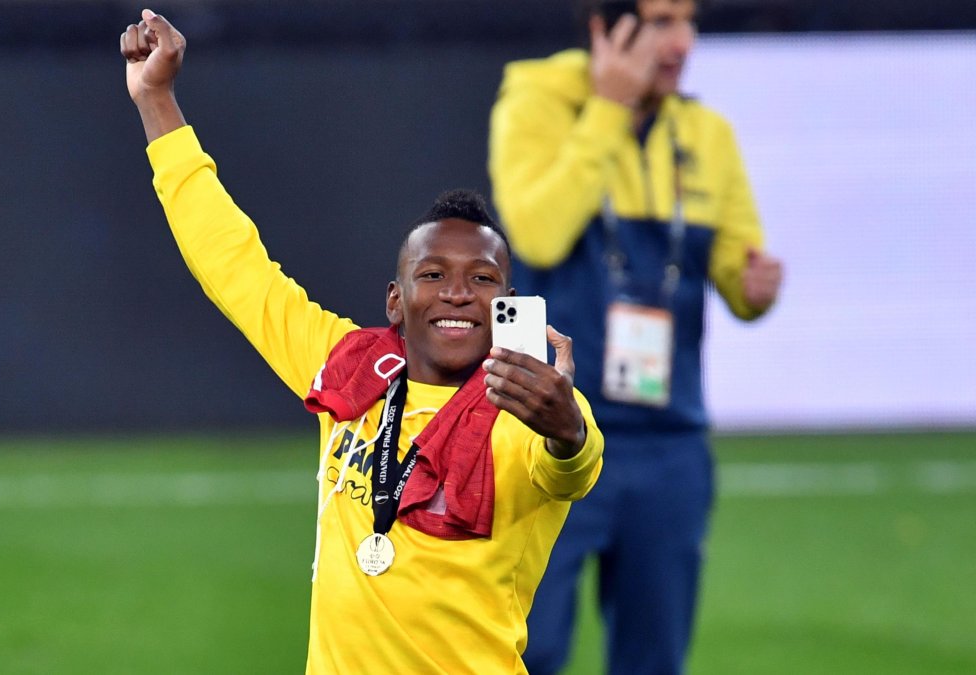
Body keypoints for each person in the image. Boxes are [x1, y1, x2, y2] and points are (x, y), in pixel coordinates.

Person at [120, 9, 607, 674]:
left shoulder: (523, 409)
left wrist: (569, 426)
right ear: (395, 302)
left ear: (508, 305)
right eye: (432, 275)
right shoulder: (350, 366)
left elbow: (573, 462)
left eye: (482, 279)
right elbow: (232, 262)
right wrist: (157, 100)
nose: (458, 292)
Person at [488, 1, 784, 673]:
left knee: (655, 659)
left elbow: (739, 276)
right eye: (658, 21)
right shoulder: (534, 99)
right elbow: (536, 231)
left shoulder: (706, 133)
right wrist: (608, 110)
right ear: (604, 30)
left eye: (688, 19)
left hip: (666, 437)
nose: (681, 40)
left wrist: (755, 287)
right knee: (526, 652)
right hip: (544, 433)